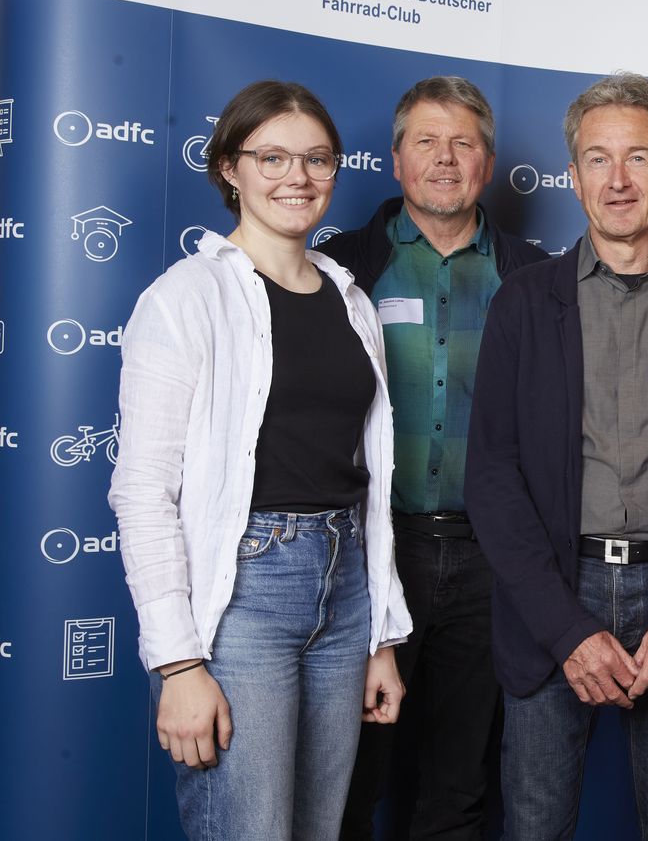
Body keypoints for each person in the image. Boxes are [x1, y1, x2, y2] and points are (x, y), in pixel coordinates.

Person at [109, 80, 411, 840]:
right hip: (245, 598)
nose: (297, 177)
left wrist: (380, 632)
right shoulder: (185, 297)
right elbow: (142, 489)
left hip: (345, 592)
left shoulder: (351, 299)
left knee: (320, 828)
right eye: (272, 156)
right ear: (229, 170)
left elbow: (369, 486)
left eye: (316, 158)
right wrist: (179, 666)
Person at [465, 72, 648, 841]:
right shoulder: (524, 302)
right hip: (552, 592)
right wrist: (566, 629)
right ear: (573, 176)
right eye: (598, 159)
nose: (618, 180)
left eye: (637, 158)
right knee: (534, 824)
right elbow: (492, 477)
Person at [317, 76, 548, 840]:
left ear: (487, 161)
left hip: (492, 562)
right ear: (395, 160)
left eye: (464, 142)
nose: (445, 158)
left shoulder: (535, 276)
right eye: (426, 140)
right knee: (348, 777)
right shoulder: (340, 266)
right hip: (370, 557)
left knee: (459, 783)